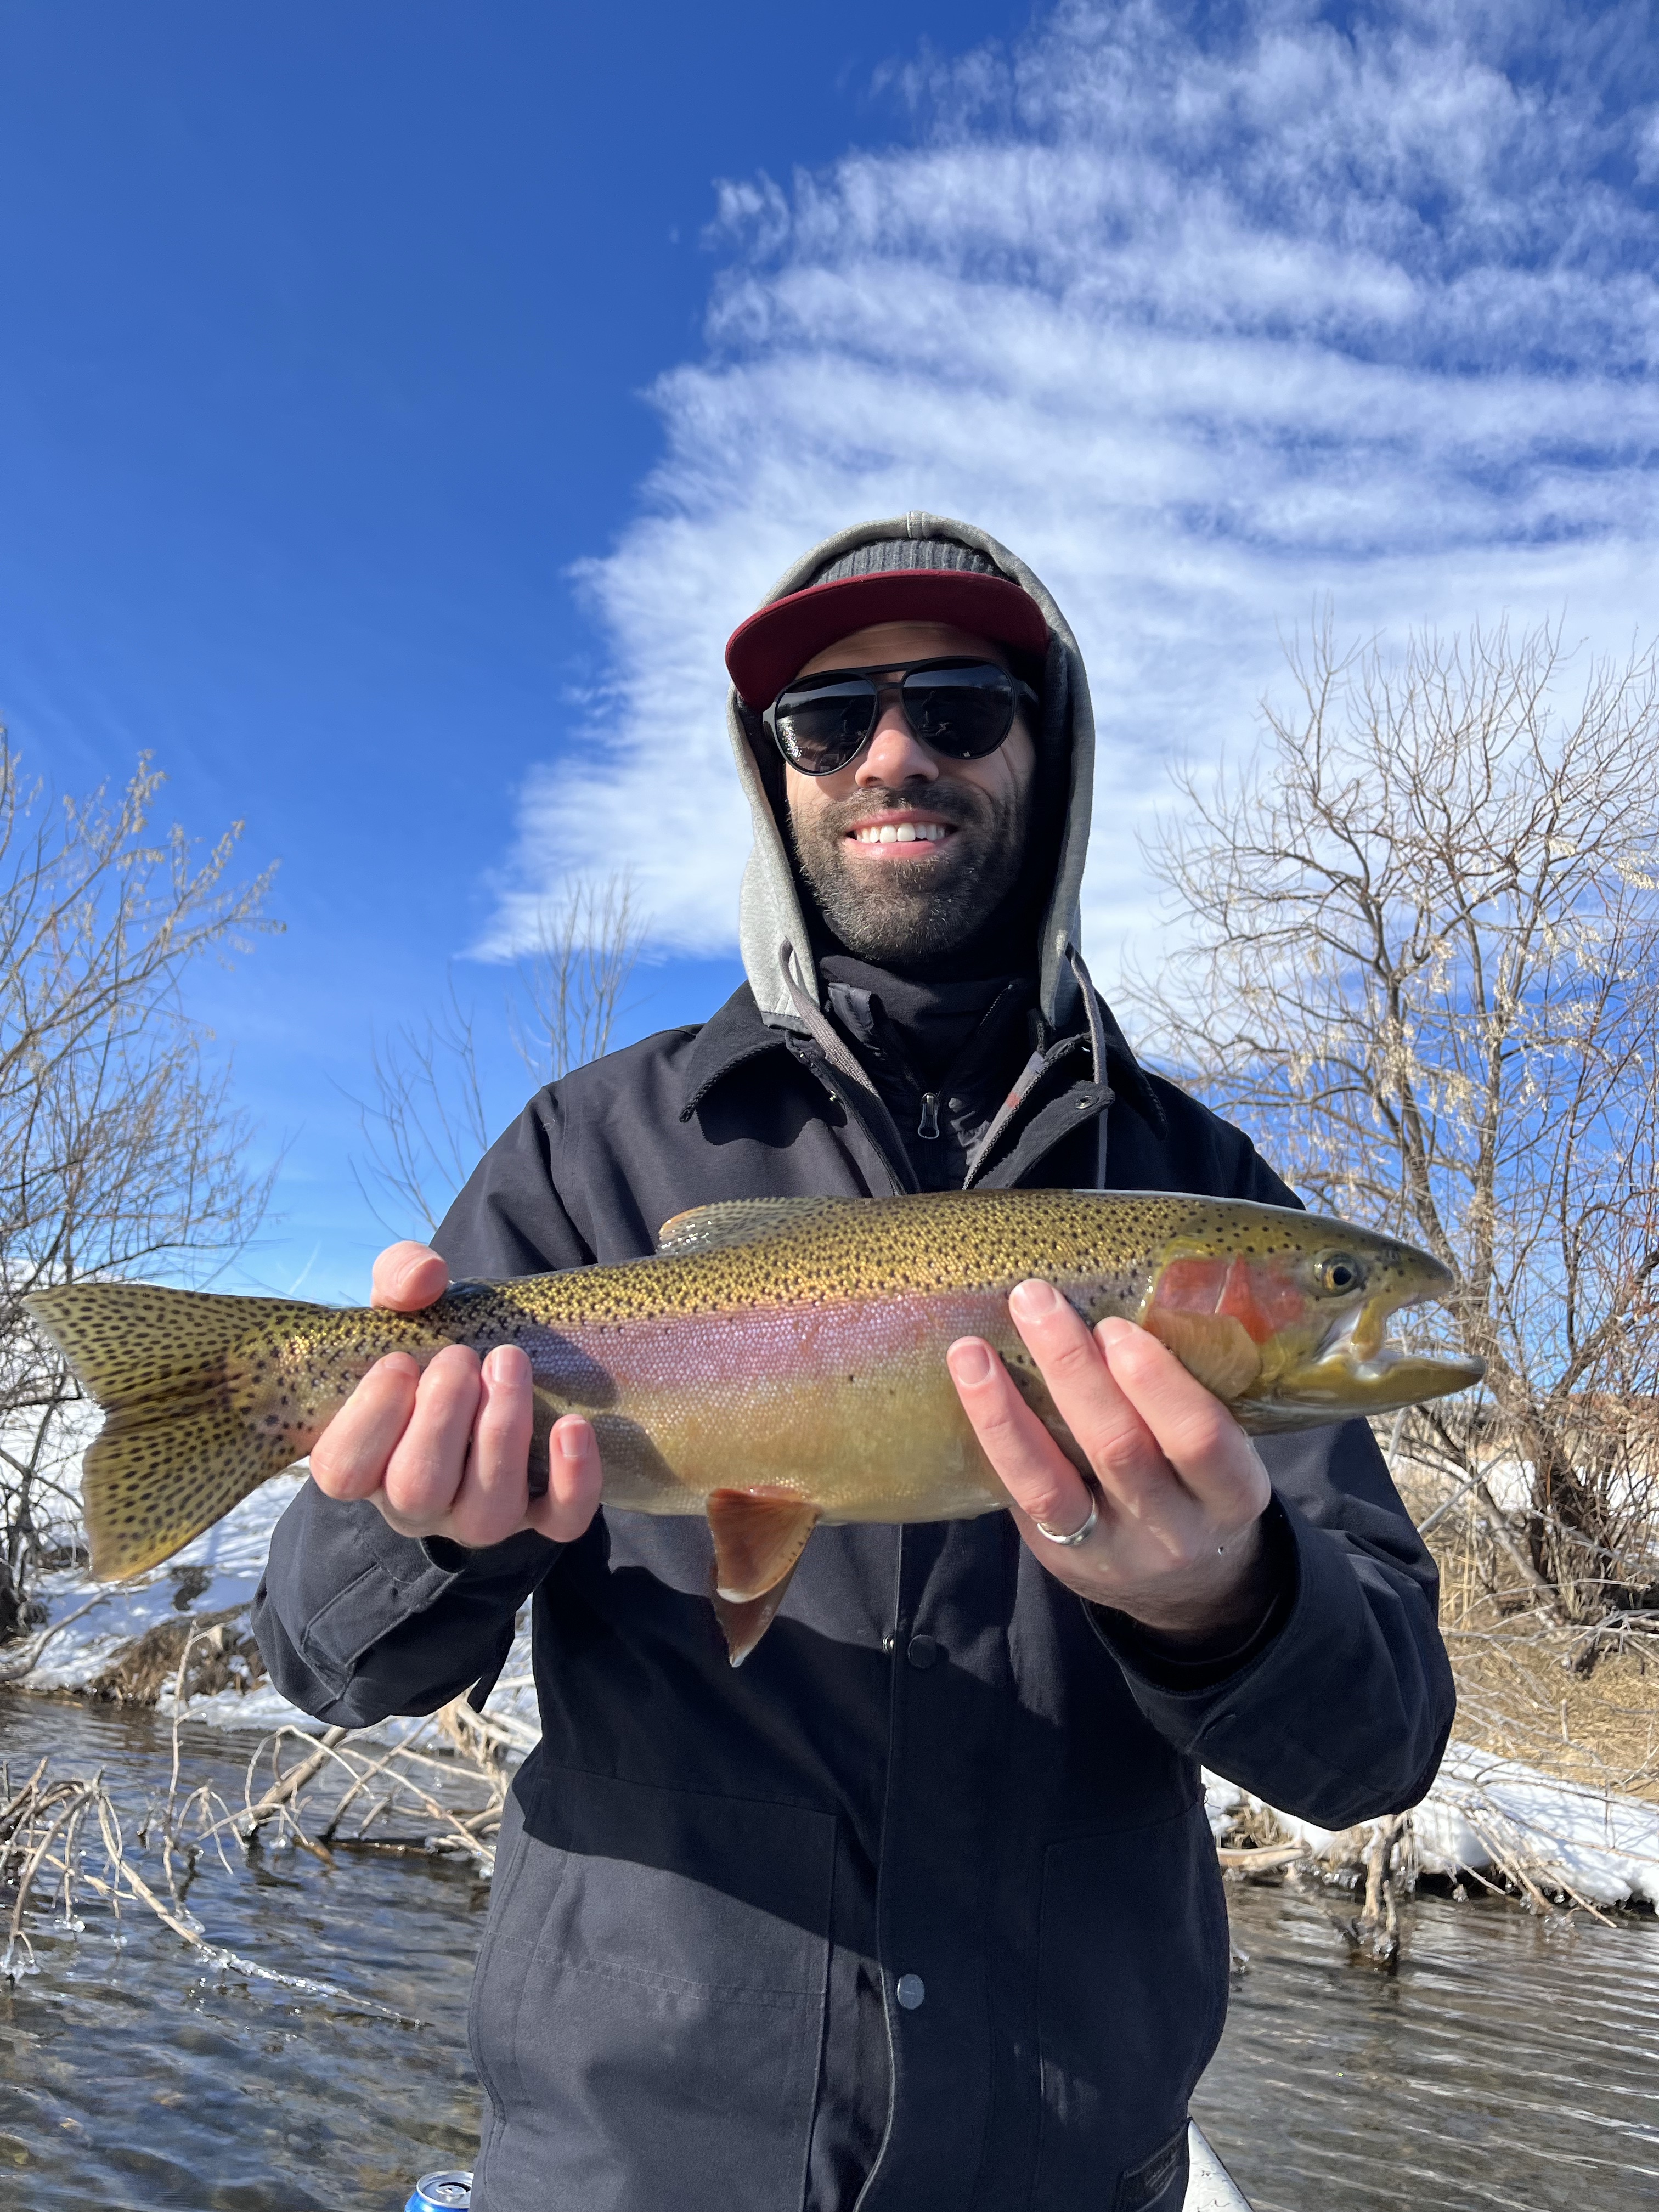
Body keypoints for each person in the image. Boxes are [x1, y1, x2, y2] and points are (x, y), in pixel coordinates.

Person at [253, 517, 1454, 2212]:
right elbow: (320, 1655)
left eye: (961, 709)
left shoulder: (1198, 1181)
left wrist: (1228, 1601)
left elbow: (1379, 1745)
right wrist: (432, 1528)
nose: (898, 754)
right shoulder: (594, 1151)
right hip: (633, 2171)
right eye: (830, 723)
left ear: (1049, 757)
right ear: (780, 777)